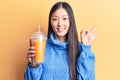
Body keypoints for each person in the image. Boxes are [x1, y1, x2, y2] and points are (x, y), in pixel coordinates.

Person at [24, 1, 97, 80]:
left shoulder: (80, 49)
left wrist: (85, 48)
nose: (60, 24)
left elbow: (88, 78)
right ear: (50, 22)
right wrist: (34, 66)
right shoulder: (41, 46)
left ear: (70, 21)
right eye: (55, 19)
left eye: (65, 18)